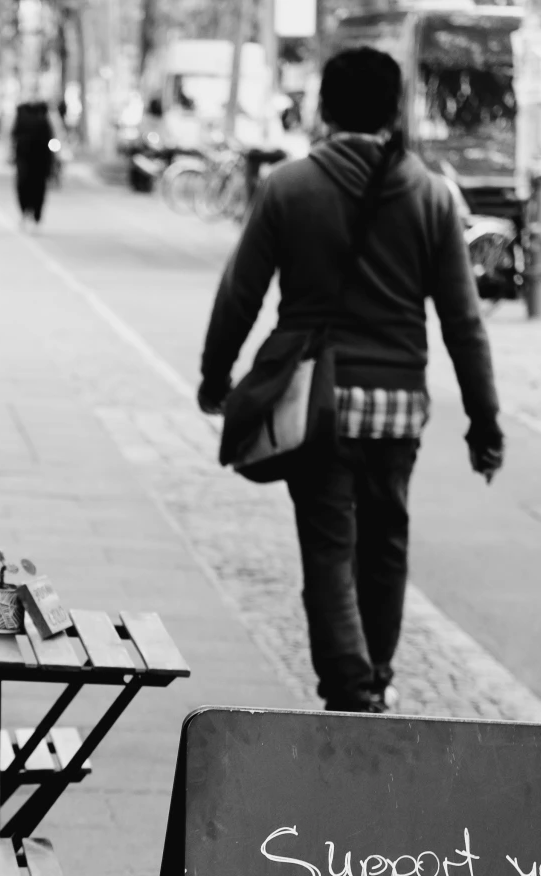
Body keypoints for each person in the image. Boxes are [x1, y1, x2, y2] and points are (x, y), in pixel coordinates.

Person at [196, 46, 501, 714]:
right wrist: (485, 420)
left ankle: (348, 688)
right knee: (386, 544)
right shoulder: (432, 195)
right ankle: (380, 676)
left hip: (319, 401)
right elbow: (462, 322)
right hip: (398, 408)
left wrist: (215, 375)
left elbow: (239, 295)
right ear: (395, 111)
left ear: (324, 109)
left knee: (330, 547)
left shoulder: (289, 187)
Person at [12, 100, 57, 226]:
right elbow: (11, 132)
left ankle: (37, 214)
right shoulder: (20, 110)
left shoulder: (46, 110)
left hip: (41, 155)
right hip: (23, 154)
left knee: (39, 185)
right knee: (23, 183)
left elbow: (55, 131)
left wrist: (57, 151)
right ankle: (25, 211)